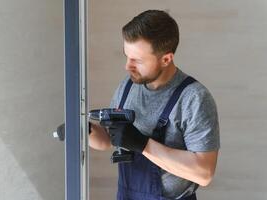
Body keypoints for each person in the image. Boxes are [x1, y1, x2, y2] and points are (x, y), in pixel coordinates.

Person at [89, 10, 220, 200]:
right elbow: (108, 140)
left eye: (137, 60)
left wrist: (142, 144)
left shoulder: (194, 99)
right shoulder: (128, 86)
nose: (127, 66)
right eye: (127, 56)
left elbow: (204, 173)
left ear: (166, 59)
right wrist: (85, 130)